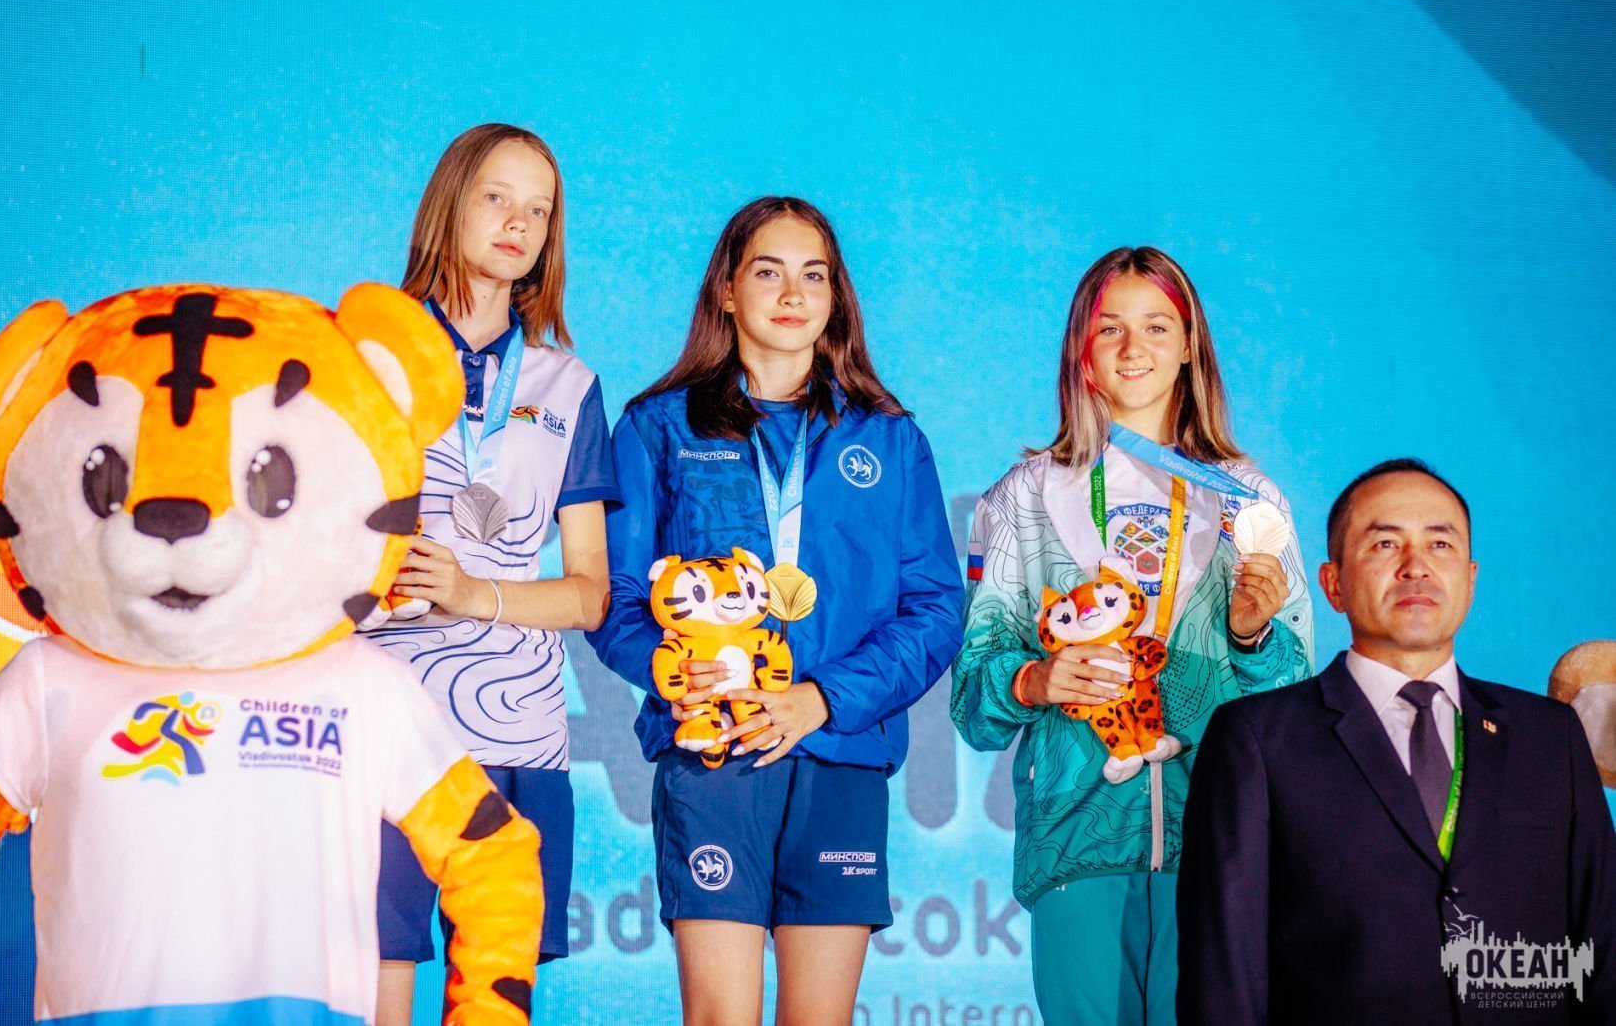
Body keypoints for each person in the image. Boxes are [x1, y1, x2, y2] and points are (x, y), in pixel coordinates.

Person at [589, 196, 963, 1025]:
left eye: (813, 275)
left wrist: (820, 698)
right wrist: (669, 669)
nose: (793, 293)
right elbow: (613, 598)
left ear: (836, 296)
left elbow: (936, 608)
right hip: (712, 756)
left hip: (839, 753)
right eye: (768, 271)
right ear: (727, 289)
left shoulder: (890, 439)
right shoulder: (658, 427)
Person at [951, 246, 1313, 1024]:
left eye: (1156, 325)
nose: (1132, 346)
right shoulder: (1023, 497)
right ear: (1080, 349)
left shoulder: (1250, 501)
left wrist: (1251, 639)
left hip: (1217, 842)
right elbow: (973, 701)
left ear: (1189, 345)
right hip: (1075, 839)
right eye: (1109, 326)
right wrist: (1033, 680)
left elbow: (1299, 711)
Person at [1179, 459, 1616, 1024]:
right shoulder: (1258, 739)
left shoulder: (1550, 737)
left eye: (1441, 544)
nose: (1416, 567)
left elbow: (1603, 945)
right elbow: (1225, 972)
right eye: (1385, 544)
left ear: (1471, 579)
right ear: (1333, 584)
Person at [365, 123, 618, 1023]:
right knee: (378, 972)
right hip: (388, 722)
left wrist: (475, 594)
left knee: (495, 997)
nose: (518, 223)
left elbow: (591, 593)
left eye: (539, 210)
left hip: (521, 733)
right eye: (497, 197)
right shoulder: (368, 361)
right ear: (450, 204)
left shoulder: (568, 385)